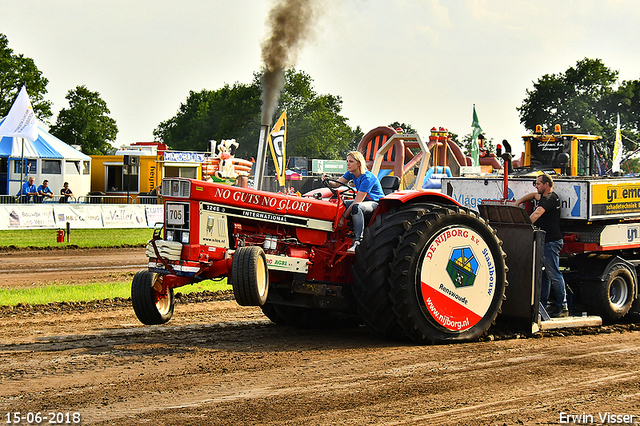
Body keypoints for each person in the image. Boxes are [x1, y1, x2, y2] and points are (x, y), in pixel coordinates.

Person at [516, 173, 568, 318]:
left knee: (554, 274)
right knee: (544, 274)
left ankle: (562, 306)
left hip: (551, 241)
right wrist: (519, 201)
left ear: (546, 185)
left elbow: (538, 213)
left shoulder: (550, 199)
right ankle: (543, 305)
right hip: (545, 241)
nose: (536, 186)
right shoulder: (544, 197)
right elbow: (533, 195)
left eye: (538, 184)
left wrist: (524, 225)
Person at [322, 151, 384, 253]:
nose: (348, 164)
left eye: (351, 161)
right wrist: (327, 181)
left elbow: (357, 201)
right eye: (347, 161)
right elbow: (336, 184)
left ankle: (358, 241)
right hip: (363, 201)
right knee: (340, 204)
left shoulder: (368, 178)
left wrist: (343, 218)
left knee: (356, 207)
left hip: (375, 203)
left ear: (359, 163)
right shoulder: (351, 174)